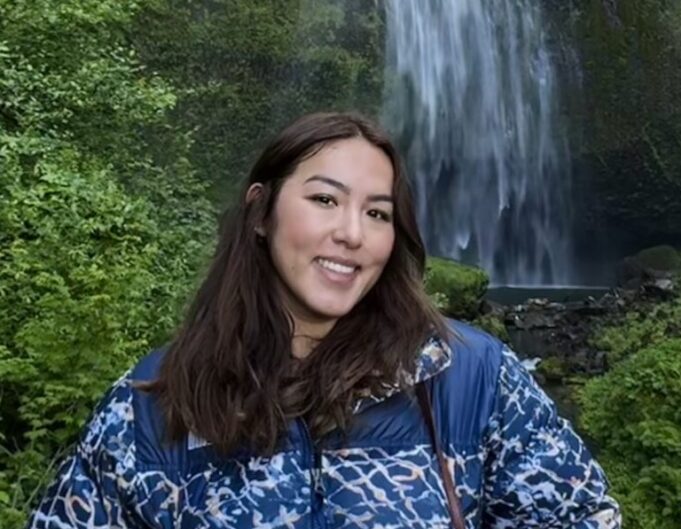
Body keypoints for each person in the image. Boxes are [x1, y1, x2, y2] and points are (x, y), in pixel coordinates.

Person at [27, 112, 621, 528]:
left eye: (378, 212)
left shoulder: (473, 378)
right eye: (325, 200)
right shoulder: (150, 406)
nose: (352, 234)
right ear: (261, 212)